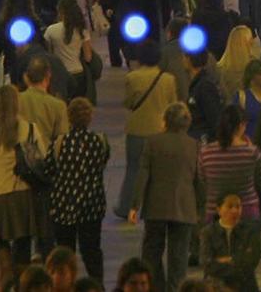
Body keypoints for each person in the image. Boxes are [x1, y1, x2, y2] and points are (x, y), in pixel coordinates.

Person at [134, 102, 204, 292]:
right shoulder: (194, 146)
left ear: (166, 120)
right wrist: (201, 207)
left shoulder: (153, 142)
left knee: (151, 253)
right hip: (184, 206)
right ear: (187, 122)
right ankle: (175, 288)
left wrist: (135, 204)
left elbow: (143, 174)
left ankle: (155, 287)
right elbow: (199, 179)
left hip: (156, 206)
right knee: (179, 256)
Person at [0, 84, 42, 278]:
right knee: (23, 246)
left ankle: (5, 279)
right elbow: (42, 159)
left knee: (1, 246)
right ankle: (22, 282)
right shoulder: (29, 128)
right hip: (24, 195)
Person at [50, 97, 112, 278]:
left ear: (69, 117)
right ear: (90, 117)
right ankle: (96, 284)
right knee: (92, 250)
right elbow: (103, 163)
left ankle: (65, 283)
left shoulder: (60, 143)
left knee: (64, 252)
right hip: (92, 204)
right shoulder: (100, 141)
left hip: (64, 204)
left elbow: (49, 167)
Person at [118, 44, 179, 220]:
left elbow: (129, 103)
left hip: (136, 129)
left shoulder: (132, 77)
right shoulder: (168, 79)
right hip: (160, 130)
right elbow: (172, 104)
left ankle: (126, 206)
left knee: (133, 169)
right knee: (161, 172)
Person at [197, 104, 261, 223]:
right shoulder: (251, 152)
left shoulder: (205, 152)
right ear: (241, 125)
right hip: (247, 211)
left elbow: (202, 180)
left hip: (216, 212)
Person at [198, 192, 261, 292]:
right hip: (215, 286)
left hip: (244, 285)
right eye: (229, 206)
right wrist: (236, 261)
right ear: (219, 210)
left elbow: (251, 262)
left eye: (238, 206)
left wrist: (225, 260)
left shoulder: (250, 231)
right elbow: (207, 263)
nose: (234, 210)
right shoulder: (208, 233)